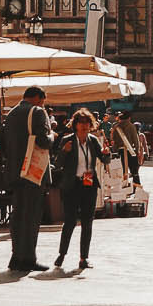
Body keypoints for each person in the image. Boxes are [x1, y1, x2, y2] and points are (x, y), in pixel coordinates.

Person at [1, 85, 54, 273]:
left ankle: (16, 257)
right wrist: (52, 136)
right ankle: (28, 258)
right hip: (33, 172)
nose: (43, 104)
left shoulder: (12, 113)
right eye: (42, 100)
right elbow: (43, 141)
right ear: (38, 98)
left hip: (15, 172)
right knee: (31, 216)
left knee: (18, 215)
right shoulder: (37, 112)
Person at [54, 109, 105, 270]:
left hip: (88, 186)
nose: (84, 126)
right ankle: (62, 254)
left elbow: (105, 159)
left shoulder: (93, 141)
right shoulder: (67, 140)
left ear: (91, 125)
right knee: (69, 221)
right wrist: (64, 151)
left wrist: (107, 153)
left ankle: (84, 258)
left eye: (86, 123)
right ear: (75, 125)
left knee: (87, 223)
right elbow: (58, 163)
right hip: (72, 185)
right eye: (80, 123)